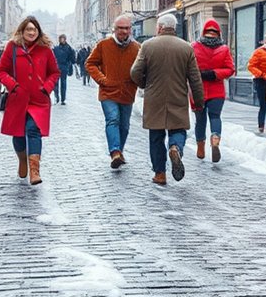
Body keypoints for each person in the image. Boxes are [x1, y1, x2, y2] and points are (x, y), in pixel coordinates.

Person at [130, 13, 204, 186]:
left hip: (154, 97)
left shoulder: (148, 46)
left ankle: (160, 174)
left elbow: (135, 72)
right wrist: (199, 101)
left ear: (159, 27)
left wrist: (144, 84)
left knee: (156, 135)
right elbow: (195, 78)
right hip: (177, 96)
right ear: (174, 28)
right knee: (178, 129)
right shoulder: (186, 48)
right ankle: (175, 148)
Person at [0, 16, 60, 186]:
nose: (32, 32)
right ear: (22, 31)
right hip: (18, 99)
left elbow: (55, 72)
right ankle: (22, 160)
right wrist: (13, 86)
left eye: (34, 29)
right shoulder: (12, 47)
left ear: (38, 32)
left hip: (39, 99)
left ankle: (34, 171)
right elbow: (0, 70)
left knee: (33, 130)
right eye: (28, 29)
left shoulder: (45, 49)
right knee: (18, 134)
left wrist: (46, 87)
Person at [86, 15, 140, 169]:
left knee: (124, 126)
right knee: (113, 119)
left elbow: (143, 68)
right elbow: (90, 63)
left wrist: (139, 81)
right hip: (108, 92)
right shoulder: (103, 45)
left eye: (126, 28)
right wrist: (102, 80)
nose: (123, 31)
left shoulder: (137, 48)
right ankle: (114, 151)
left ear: (130, 29)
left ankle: (119, 152)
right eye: (120, 28)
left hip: (127, 92)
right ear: (114, 29)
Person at [191, 19, 235, 163]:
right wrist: (215, 73)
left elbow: (189, 67)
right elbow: (230, 70)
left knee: (200, 120)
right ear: (219, 34)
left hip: (198, 89)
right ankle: (215, 139)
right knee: (215, 117)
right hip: (217, 90)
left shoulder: (194, 47)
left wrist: (200, 74)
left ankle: (200, 147)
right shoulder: (224, 49)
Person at [52, 34, 76, 104]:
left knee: (63, 83)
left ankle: (63, 99)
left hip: (64, 68)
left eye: (62, 39)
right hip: (56, 68)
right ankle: (57, 97)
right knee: (56, 84)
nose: (61, 40)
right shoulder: (56, 48)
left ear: (65, 39)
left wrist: (70, 65)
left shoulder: (69, 49)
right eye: (60, 39)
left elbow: (72, 59)